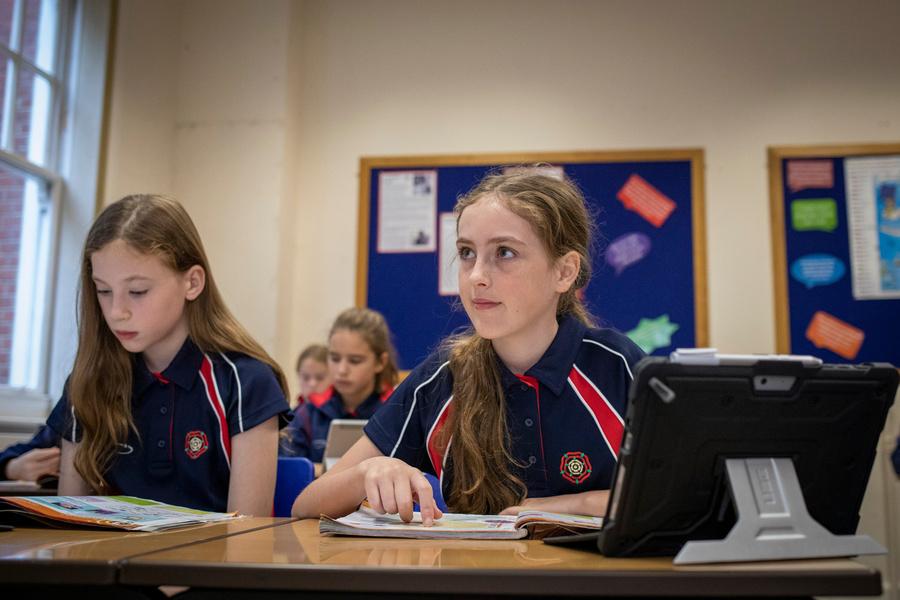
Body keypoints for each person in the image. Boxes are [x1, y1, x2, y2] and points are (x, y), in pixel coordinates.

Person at [293, 169, 644, 524]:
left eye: (505, 252)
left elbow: (674, 500)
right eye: (466, 252)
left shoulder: (620, 367)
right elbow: (305, 507)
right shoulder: (441, 380)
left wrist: (568, 506)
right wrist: (367, 472)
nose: (476, 275)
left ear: (564, 272)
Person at [52, 194, 290, 516]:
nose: (116, 311)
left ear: (192, 282)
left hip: (214, 551)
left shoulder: (245, 381)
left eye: (137, 291)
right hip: (111, 550)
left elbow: (247, 534)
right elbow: (70, 519)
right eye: (104, 291)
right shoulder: (87, 382)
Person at [280, 307, 398, 462]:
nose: (342, 370)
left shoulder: (397, 412)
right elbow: (290, 470)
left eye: (355, 361)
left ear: (380, 362)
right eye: (335, 358)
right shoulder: (307, 413)